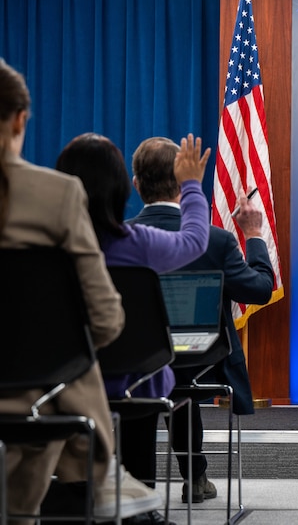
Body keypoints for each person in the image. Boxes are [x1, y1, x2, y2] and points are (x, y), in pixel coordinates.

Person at [0, 58, 162, 523]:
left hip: (37, 396)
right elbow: (107, 318)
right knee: (64, 368)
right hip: (39, 396)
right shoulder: (57, 195)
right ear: (20, 119)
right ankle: (99, 471)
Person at [55, 131, 211, 525]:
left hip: (62, 386)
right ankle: (137, 505)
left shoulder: (49, 250)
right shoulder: (138, 243)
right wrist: (191, 184)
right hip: (136, 383)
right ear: (125, 187)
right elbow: (193, 241)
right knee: (150, 381)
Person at [128, 136, 274, 505]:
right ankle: (195, 477)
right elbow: (259, 290)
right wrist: (254, 235)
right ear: (184, 183)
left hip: (133, 363)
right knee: (179, 376)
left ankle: (138, 486)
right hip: (201, 360)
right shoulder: (216, 240)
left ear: (136, 184)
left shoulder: (119, 238)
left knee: (153, 366)